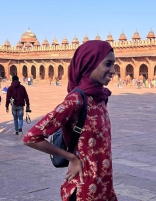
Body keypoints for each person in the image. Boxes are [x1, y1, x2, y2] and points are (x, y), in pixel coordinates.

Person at [23, 40, 118, 201]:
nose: (113, 71)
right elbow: (31, 137)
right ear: (90, 64)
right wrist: (71, 158)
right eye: (108, 64)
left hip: (104, 188)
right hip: (84, 190)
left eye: (113, 65)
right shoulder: (76, 99)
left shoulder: (100, 98)